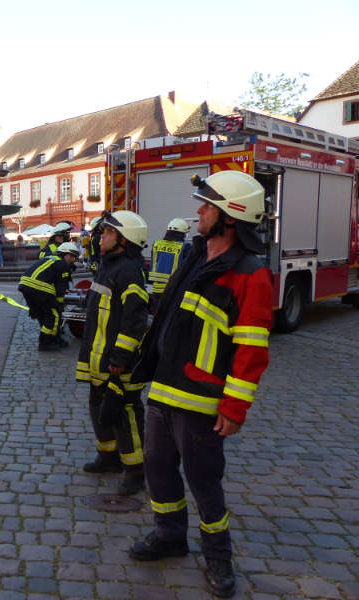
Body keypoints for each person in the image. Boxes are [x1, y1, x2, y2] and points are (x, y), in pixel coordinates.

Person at [128, 171, 272, 598]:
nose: (198, 212)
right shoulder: (197, 256)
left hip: (202, 400)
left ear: (231, 216)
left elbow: (252, 349)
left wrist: (234, 407)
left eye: (206, 206)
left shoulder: (250, 274)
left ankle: (218, 558)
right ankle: (170, 535)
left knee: (204, 480)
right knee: (158, 469)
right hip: (165, 390)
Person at [76, 210, 150, 496]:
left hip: (118, 364)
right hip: (99, 360)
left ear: (123, 239)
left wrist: (119, 359)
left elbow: (134, 322)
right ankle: (108, 458)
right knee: (98, 408)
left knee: (125, 414)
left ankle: (135, 471)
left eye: (107, 232)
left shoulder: (129, 271)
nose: (101, 236)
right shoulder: (107, 266)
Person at [18, 242, 78, 351]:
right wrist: (60, 304)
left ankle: (54, 338)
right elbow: (60, 288)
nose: (73, 259)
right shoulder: (63, 264)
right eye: (72, 256)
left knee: (43, 315)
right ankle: (45, 342)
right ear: (64, 254)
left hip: (25, 285)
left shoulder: (51, 258)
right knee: (54, 315)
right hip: (39, 288)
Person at [147, 218, 192, 313]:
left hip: (156, 289)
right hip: (173, 289)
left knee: (156, 316)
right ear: (182, 233)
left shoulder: (156, 244)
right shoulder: (185, 247)